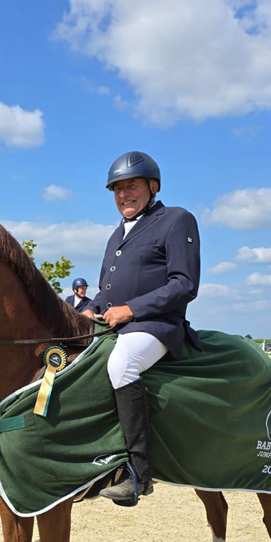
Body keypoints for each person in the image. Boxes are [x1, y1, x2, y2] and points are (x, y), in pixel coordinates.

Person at [84, 151, 200, 507]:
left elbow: (184, 284)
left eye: (131, 186)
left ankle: (137, 474)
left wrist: (132, 309)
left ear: (153, 186)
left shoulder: (177, 219)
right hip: (116, 325)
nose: (123, 194)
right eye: (117, 189)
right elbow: (105, 292)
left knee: (122, 365)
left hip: (156, 325)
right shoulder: (116, 235)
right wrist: (89, 310)